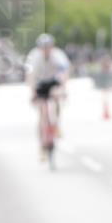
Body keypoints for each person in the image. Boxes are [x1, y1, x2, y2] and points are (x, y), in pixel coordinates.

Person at [25, 33, 70, 161]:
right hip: (40, 83)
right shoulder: (34, 56)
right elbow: (30, 76)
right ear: (39, 48)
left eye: (48, 47)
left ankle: (56, 125)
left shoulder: (58, 55)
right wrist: (32, 92)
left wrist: (62, 89)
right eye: (43, 47)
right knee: (41, 114)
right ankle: (41, 146)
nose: (46, 50)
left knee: (56, 102)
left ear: (52, 47)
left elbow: (65, 72)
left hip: (53, 82)